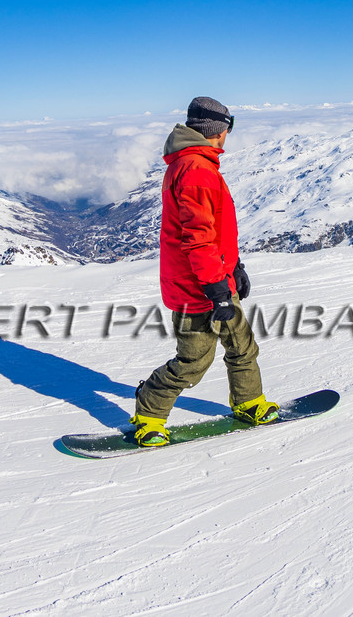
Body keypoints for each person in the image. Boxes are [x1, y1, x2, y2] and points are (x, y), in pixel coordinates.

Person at [130, 96, 278, 446]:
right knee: (194, 360)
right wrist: (216, 290)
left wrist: (235, 267)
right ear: (218, 130)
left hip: (216, 281)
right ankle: (148, 411)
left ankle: (249, 403)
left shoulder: (198, 165)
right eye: (228, 127)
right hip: (198, 288)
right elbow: (197, 241)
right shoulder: (196, 169)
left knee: (242, 345)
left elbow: (216, 230)